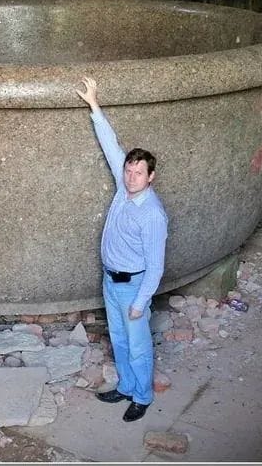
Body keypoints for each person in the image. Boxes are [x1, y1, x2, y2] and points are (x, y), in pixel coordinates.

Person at [75, 76, 169, 422]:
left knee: (140, 346)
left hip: (133, 286)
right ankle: (127, 387)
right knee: (119, 340)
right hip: (111, 281)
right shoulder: (123, 188)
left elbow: (156, 265)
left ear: (151, 177)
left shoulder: (152, 214)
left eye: (138, 172)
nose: (131, 176)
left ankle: (142, 397)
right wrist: (94, 104)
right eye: (129, 170)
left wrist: (141, 302)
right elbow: (111, 145)